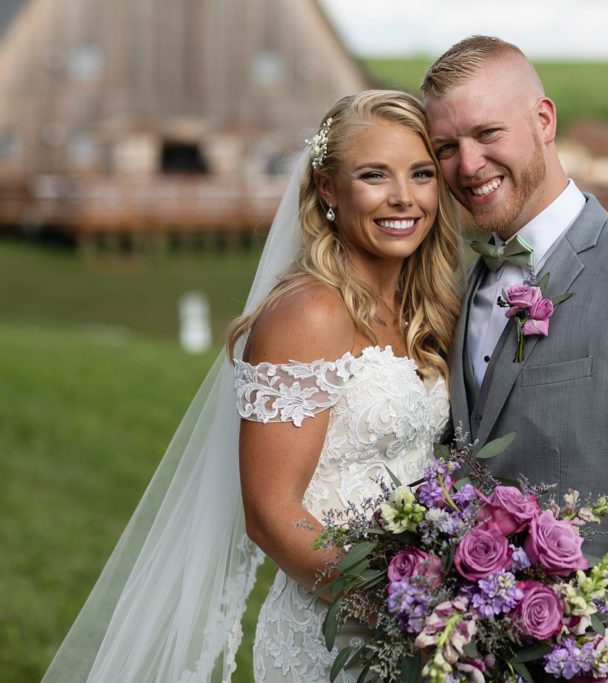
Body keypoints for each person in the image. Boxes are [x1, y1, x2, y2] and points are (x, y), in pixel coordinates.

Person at [42, 90, 461, 683]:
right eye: (374, 175)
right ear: (326, 188)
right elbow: (269, 514)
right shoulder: (308, 314)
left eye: (420, 174)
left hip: (422, 630)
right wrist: (403, 614)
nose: (404, 198)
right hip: (336, 633)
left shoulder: (423, 308)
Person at [423, 36, 608, 683]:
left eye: (486, 134)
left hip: (602, 664)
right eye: (446, 147)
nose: (468, 164)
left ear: (543, 121)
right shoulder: (460, 284)